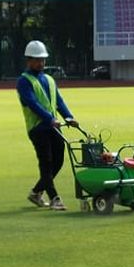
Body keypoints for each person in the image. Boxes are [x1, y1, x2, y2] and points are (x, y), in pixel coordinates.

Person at [17, 40, 79, 211]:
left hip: (53, 126)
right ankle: (55, 199)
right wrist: (49, 119)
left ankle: (36, 192)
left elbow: (58, 100)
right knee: (46, 163)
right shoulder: (24, 81)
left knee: (58, 161)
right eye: (37, 59)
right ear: (28, 60)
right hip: (38, 128)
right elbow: (32, 103)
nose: (41, 63)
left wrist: (69, 116)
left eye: (43, 59)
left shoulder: (49, 79)